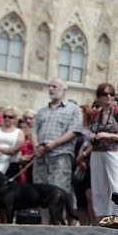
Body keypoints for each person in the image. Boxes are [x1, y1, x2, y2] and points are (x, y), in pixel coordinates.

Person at [33, 78, 83, 224]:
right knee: (41, 192)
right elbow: (34, 130)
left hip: (60, 156)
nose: (50, 89)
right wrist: (37, 146)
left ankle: (57, 227)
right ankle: (44, 225)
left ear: (64, 89)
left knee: (58, 192)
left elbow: (74, 131)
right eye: (49, 86)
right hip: (41, 157)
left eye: (54, 86)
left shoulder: (73, 109)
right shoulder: (42, 111)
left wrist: (54, 143)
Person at [87, 83, 118, 220]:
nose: (108, 97)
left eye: (111, 94)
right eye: (105, 94)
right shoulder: (96, 114)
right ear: (99, 97)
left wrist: (108, 135)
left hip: (115, 152)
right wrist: (92, 136)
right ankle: (101, 217)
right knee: (98, 187)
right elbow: (91, 131)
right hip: (97, 152)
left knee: (115, 185)